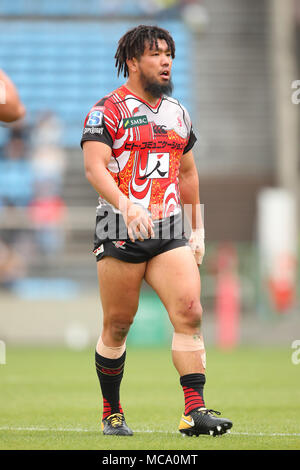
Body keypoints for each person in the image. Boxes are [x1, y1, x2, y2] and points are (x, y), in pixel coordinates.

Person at [81, 25, 232, 437]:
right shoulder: (106, 110)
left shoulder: (178, 113)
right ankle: (112, 412)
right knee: (118, 324)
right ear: (133, 61)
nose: (166, 61)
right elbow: (95, 168)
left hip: (167, 227)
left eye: (169, 54)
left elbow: (187, 172)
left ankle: (194, 412)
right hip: (118, 224)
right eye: (155, 54)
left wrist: (197, 229)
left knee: (190, 311)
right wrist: (125, 205)